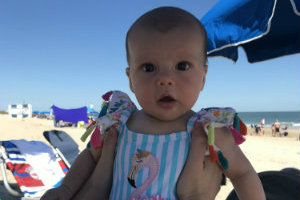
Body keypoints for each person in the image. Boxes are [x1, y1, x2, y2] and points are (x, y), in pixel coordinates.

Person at [42, 7, 265, 200]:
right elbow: (90, 156)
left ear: (203, 77)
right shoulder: (118, 124)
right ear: (130, 79)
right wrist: (65, 190)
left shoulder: (208, 132)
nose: (165, 79)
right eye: (149, 68)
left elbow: (242, 173)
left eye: (182, 66)